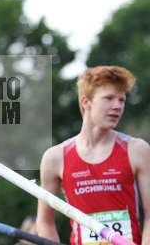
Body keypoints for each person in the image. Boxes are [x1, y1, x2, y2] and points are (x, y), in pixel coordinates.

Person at [37, 66, 150, 245]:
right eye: (109, 98)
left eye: (122, 100)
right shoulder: (55, 157)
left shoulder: (137, 150)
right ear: (86, 102)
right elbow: (45, 222)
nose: (117, 106)